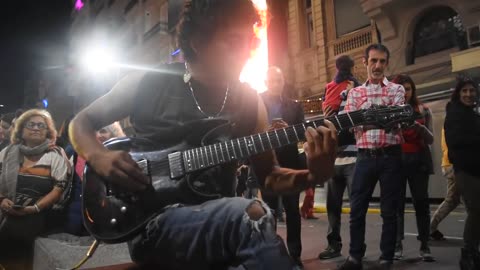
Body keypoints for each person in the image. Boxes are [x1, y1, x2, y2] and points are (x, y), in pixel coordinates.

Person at [69, 1, 338, 269]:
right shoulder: (148, 83)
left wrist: (313, 175)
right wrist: (98, 155)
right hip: (152, 225)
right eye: (233, 41)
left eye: (248, 41)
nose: (245, 51)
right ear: (198, 40)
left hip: (223, 227)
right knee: (252, 217)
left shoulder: (249, 102)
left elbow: (269, 177)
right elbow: (81, 122)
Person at [338, 44, 405, 270]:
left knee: (389, 211)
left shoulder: (397, 90)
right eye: (374, 61)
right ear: (365, 62)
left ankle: (387, 257)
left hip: (391, 157)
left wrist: (364, 118)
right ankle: (355, 256)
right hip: (365, 157)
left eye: (382, 61)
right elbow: (348, 125)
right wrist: (383, 117)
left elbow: (398, 119)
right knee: (357, 209)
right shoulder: (355, 93)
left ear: (387, 63)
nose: (378, 66)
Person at [0, 109, 71, 268]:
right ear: (20, 130)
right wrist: (2, 199)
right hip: (6, 209)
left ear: (47, 131)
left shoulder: (55, 154)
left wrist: (34, 208)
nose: (36, 128)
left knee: (16, 229)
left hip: (41, 214)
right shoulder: (8, 152)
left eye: (41, 125)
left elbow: (59, 188)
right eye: (30, 124)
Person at [259, 66, 305, 268]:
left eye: (279, 80)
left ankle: (294, 256)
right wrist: (266, 131)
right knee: (269, 213)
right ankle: (271, 255)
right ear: (266, 82)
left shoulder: (294, 106)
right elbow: (249, 131)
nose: (275, 83)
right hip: (265, 165)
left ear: (283, 81)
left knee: (292, 211)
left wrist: (289, 130)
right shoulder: (256, 103)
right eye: (272, 80)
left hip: (290, 164)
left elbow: (303, 133)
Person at [318, 55, 359, 260]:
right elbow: (326, 118)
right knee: (336, 206)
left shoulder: (353, 88)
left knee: (344, 206)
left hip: (346, 156)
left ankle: (349, 248)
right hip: (337, 156)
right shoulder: (352, 85)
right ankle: (342, 247)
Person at [391, 74, 434, 262]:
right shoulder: (389, 112)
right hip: (397, 162)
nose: (405, 93)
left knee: (422, 204)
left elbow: (431, 139)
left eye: (408, 89)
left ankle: (425, 245)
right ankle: (397, 245)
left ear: (412, 90)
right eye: (401, 89)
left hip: (419, 161)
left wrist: (420, 128)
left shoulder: (423, 109)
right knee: (396, 205)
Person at [64, 122, 126, 235]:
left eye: (103, 131)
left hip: (109, 222)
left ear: (113, 134)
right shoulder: (75, 152)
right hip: (75, 222)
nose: (97, 135)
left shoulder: (121, 155)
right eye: (92, 132)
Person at [444, 78, 480, 270]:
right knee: (476, 210)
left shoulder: (472, 113)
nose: (468, 94)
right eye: (464, 91)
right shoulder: (455, 114)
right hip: (466, 171)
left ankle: (473, 251)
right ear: (458, 93)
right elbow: (455, 143)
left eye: (472, 91)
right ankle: (468, 253)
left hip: (477, 169)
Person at [429, 128, 461, 241]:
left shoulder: (452, 121)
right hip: (455, 166)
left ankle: (431, 228)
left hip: (451, 164)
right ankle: (430, 228)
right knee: (454, 200)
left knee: (454, 200)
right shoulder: (457, 122)